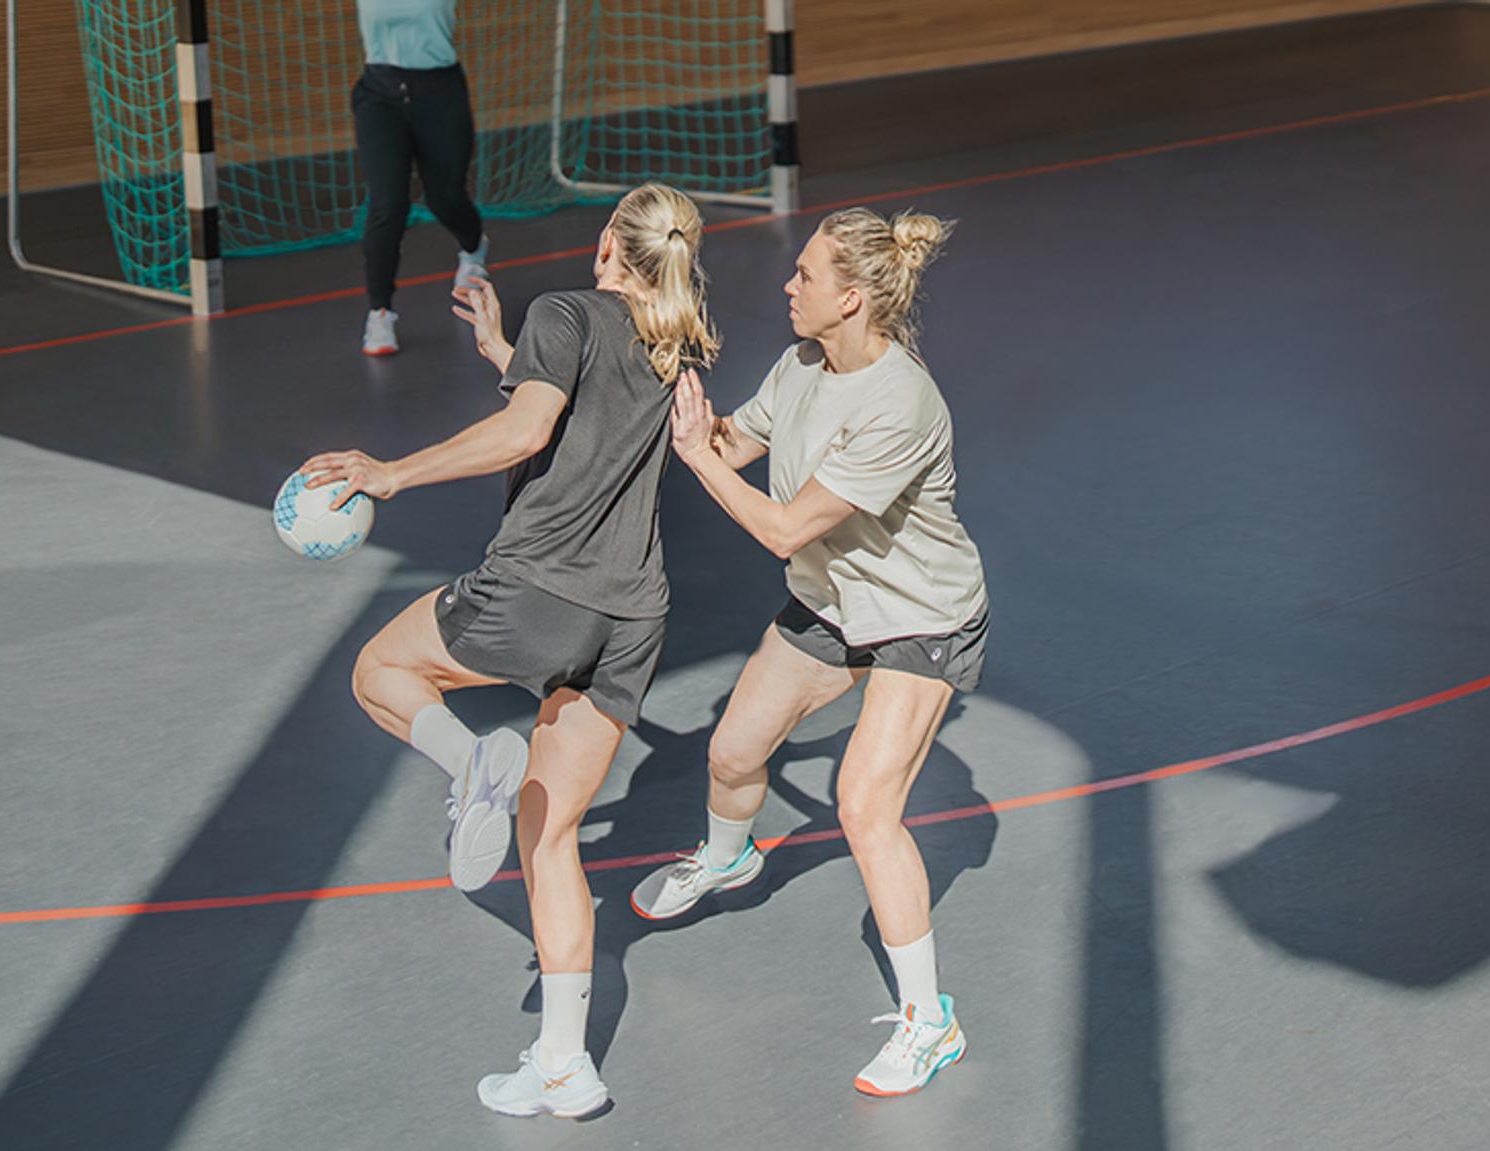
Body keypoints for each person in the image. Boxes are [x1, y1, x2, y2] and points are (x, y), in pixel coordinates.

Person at [299, 183, 717, 1118]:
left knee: (381, 670)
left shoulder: (565, 311)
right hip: (632, 620)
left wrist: (390, 472)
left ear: (610, 239)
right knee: (548, 832)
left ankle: (470, 758)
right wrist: (504, 350)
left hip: (542, 586)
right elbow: (587, 410)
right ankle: (565, 1065)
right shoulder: (673, 335)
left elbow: (532, 428)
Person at [633, 206, 988, 1097]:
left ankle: (929, 1020)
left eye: (804, 277)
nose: (787, 286)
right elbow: (733, 443)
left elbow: (786, 526)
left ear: (853, 299)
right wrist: (668, 404)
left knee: (864, 806)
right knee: (731, 751)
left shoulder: (900, 401)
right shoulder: (801, 365)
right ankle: (727, 856)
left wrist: (701, 462)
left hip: (920, 618)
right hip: (832, 603)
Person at [352, 0, 489, 355]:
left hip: (439, 93)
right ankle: (380, 312)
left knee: (445, 197)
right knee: (388, 204)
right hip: (379, 96)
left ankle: (473, 248)